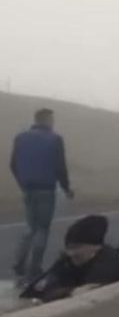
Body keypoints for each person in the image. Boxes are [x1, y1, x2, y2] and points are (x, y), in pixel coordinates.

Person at [10, 108, 74, 285]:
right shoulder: (55, 139)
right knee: (42, 229)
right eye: (51, 119)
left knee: (30, 227)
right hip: (46, 189)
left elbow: (13, 164)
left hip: (28, 189)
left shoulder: (20, 137)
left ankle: (19, 265)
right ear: (46, 120)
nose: (53, 122)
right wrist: (66, 188)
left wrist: (22, 182)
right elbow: (60, 167)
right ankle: (34, 270)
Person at [30, 215, 119, 302]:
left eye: (77, 247)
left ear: (96, 247)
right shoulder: (67, 261)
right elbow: (36, 290)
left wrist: (67, 293)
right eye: (69, 248)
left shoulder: (107, 265)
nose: (71, 253)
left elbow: (84, 298)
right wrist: (69, 292)